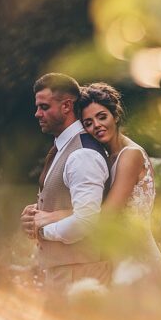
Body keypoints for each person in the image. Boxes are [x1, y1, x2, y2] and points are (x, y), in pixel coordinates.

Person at [34, 82, 161, 286]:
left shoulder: (130, 155)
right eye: (88, 122)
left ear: (116, 115)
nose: (97, 126)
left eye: (102, 117)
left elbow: (108, 214)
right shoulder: (105, 155)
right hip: (112, 254)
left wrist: (54, 217)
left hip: (134, 255)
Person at [19, 73, 111, 295]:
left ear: (67, 106)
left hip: (80, 275)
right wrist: (35, 215)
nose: (37, 113)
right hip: (67, 272)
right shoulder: (65, 148)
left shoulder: (82, 155)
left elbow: (86, 221)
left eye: (44, 107)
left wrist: (42, 231)